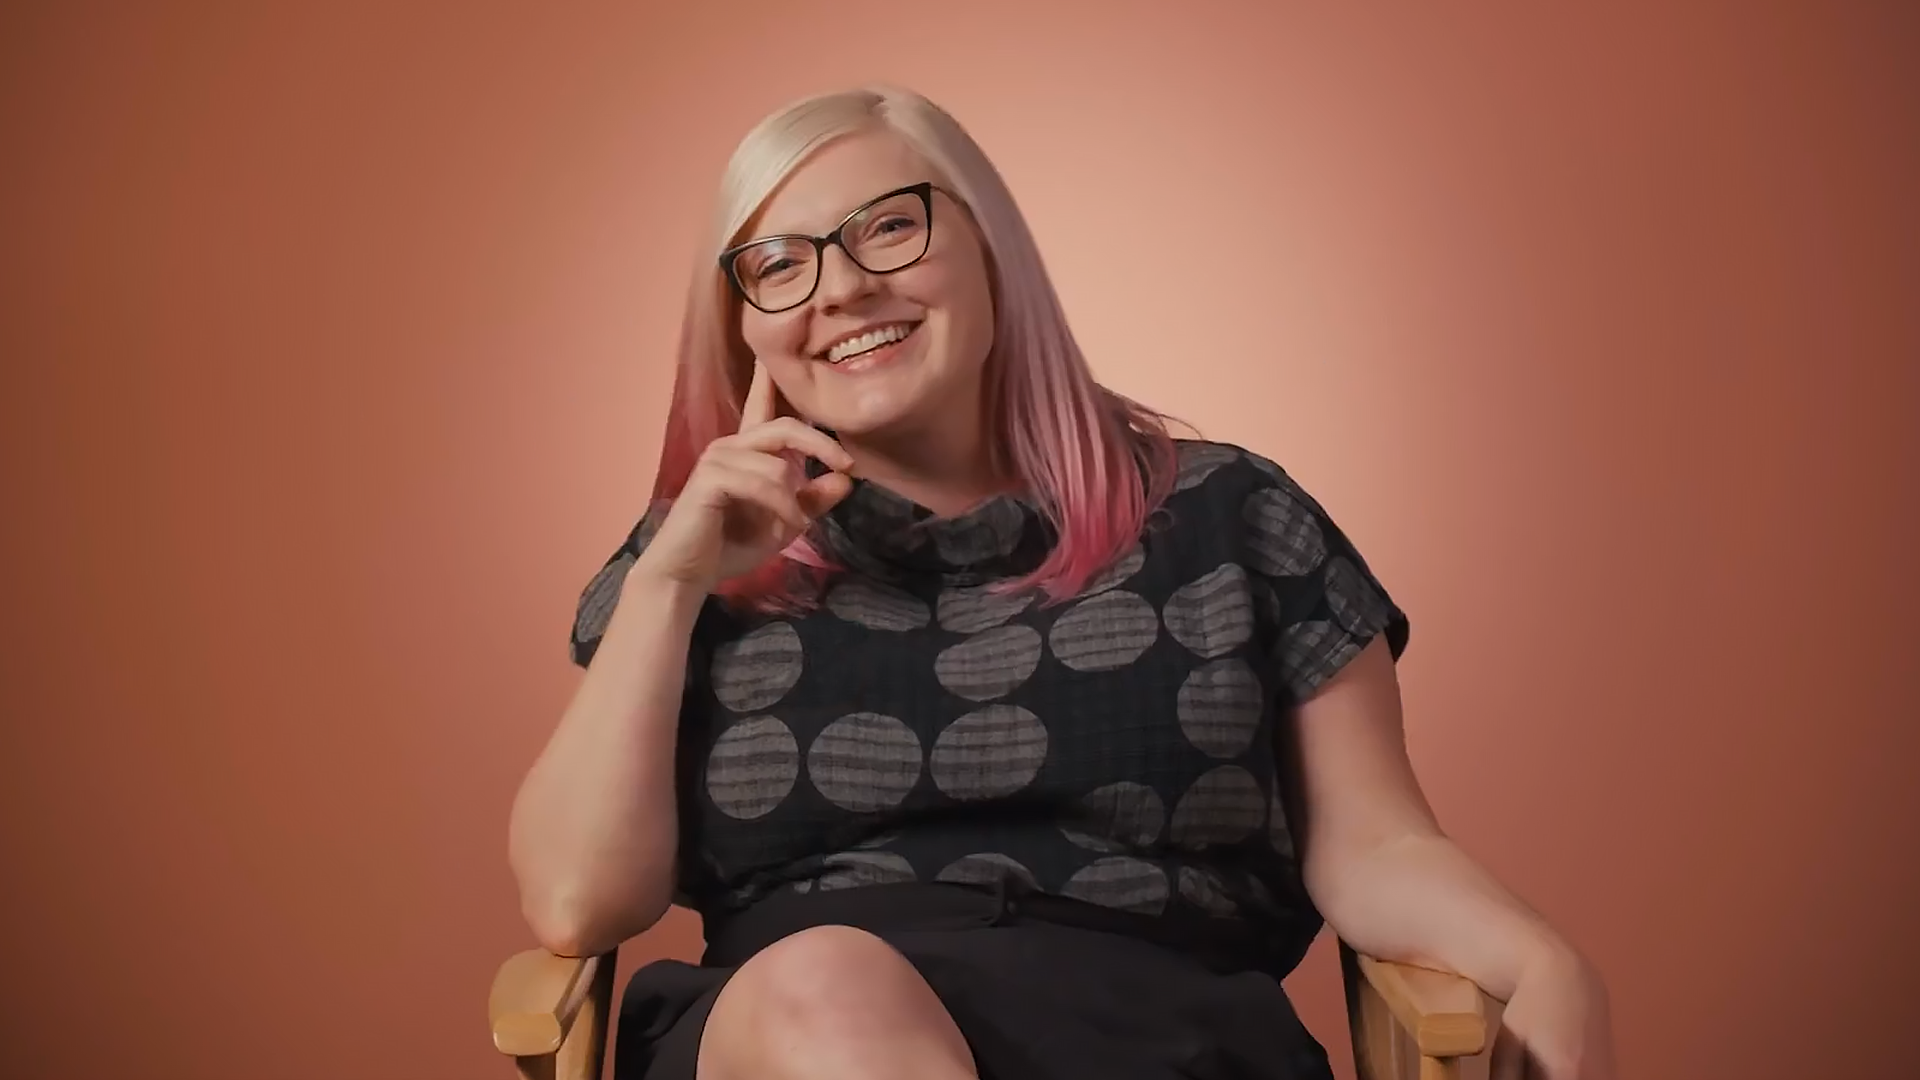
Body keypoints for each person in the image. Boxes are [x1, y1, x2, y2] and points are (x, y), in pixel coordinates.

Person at [507, 84, 1616, 1080]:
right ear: (745, 327)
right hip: (797, 1038)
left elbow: (1375, 844)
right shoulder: (684, 561)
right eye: (781, 263)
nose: (839, 289)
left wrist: (1545, 959)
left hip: (1160, 1036)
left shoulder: (1234, 516)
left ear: (993, 251)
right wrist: (672, 580)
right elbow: (576, 902)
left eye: (889, 227)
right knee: (824, 988)